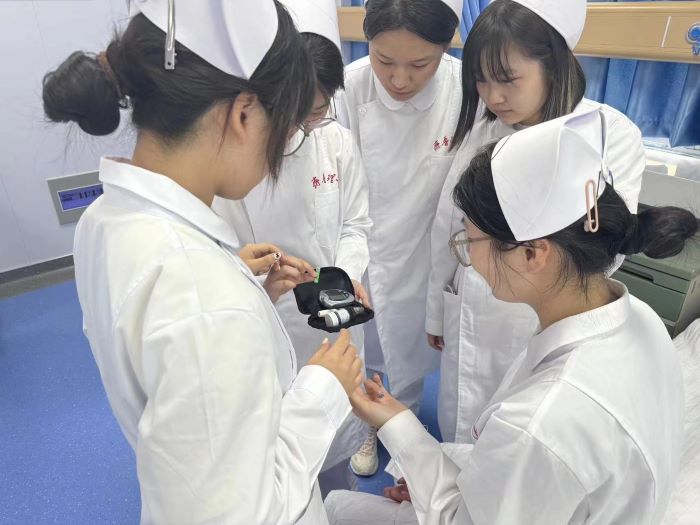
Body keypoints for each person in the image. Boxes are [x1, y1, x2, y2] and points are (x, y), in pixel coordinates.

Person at [42, 1, 364, 523]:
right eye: (287, 125)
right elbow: (241, 510)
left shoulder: (103, 220)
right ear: (243, 114)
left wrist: (241, 284)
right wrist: (324, 388)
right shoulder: (206, 300)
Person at [325, 108, 694, 524]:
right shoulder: (640, 319)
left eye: (470, 239)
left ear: (533, 254)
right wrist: (419, 452)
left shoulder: (545, 420)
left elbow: (470, 513)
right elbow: (517, 476)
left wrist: (403, 435)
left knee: (337, 508)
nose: (466, 255)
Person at [426, 0, 647, 443]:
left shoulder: (611, 135)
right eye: (481, 80)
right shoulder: (484, 132)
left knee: (524, 432)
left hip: (547, 317)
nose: (493, 97)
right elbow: (446, 226)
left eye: (507, 79)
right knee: (462, 426)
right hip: (473, 307)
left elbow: (606, 249)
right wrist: (436, 310)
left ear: (553, 64)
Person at [212, 0, 372, 495]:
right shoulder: (240, 161)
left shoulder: (336, 142)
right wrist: (260, 274)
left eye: (318, 111)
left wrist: (345, 276)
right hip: (275, 315)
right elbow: (225, 249)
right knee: (289, 445)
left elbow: (356, 223)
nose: (305, 126)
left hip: (338, 306)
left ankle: (345, 481)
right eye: (296, 114)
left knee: (340, 425)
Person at [337, 0, 463, 476]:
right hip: (363, 244)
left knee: (410, 345)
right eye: (384, 60)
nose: (400, 79)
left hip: (425, 249)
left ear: (445, 47)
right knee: (363, 343)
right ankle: (366, 421)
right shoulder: (350, 87)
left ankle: (399, 419)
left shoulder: (463, 89)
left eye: (420, 64)